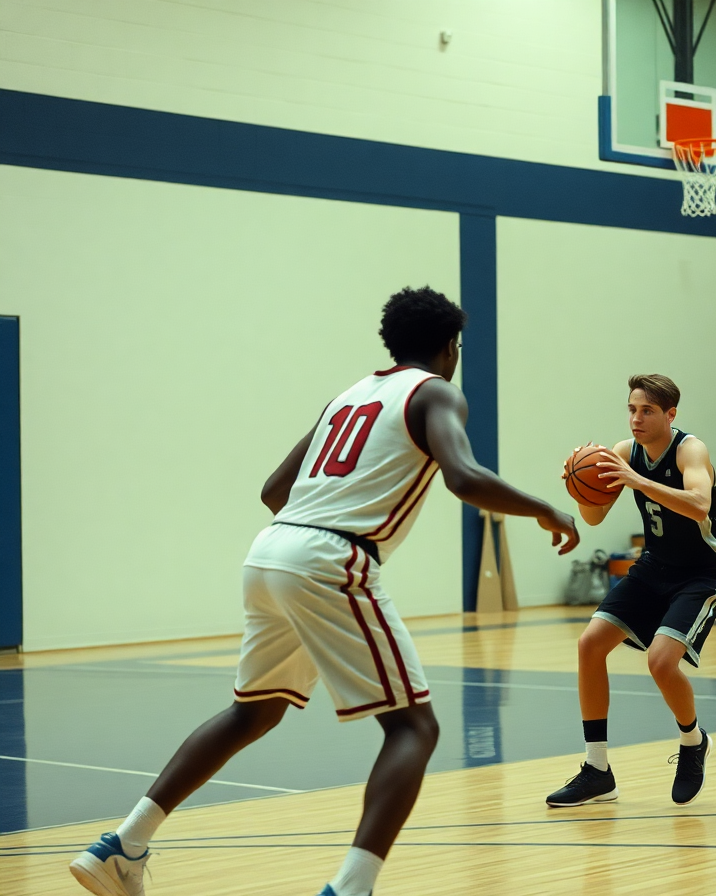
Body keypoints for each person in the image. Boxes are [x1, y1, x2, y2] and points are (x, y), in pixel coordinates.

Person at [68, 287, 579, 896]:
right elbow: (464, 477)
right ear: (450, 348)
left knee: (252, 711)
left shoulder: (350, 394)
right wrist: (547, 510)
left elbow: (274, 489)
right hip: (330, 557)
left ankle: (122, 845)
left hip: (270, 549)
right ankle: (352, 888)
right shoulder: (437, 391)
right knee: (415, 729)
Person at [547, 374, 716, 808]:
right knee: (590, 644)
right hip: (655, 566)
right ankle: (597, 770)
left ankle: (693, 742)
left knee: (660, 661)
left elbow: (699, 505)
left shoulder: (691, 449)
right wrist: (578, 486)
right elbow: (593, 518)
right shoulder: (622, 452)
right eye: (632, 409)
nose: (636, 418)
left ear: (670, 414)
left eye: (647, 411)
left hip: (703, 571)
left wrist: (636, 480)